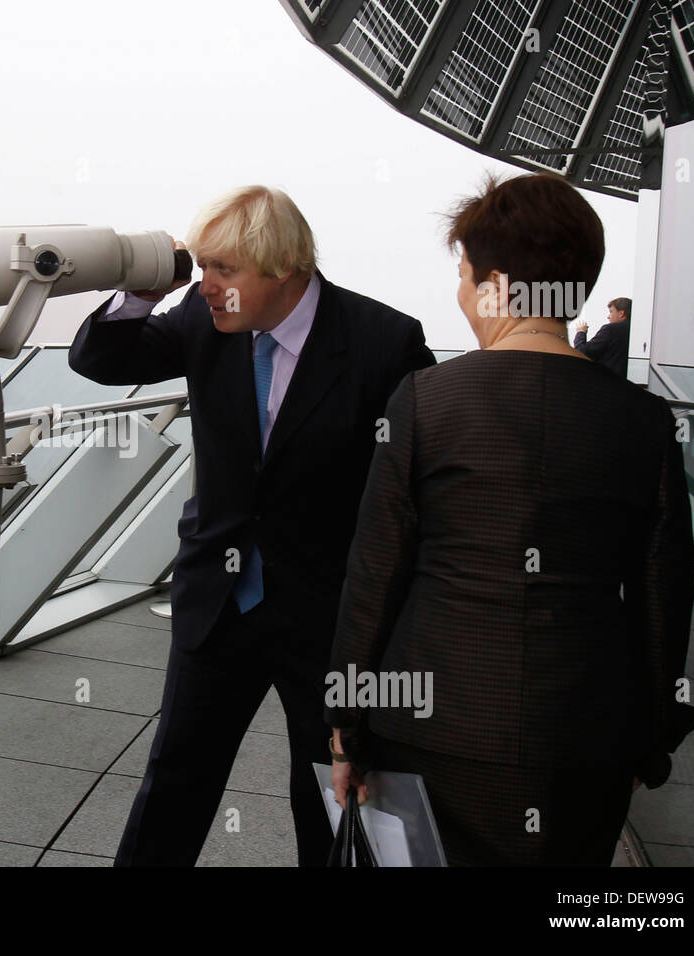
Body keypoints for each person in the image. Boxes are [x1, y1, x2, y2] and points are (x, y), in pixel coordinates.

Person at [328, 173, 694, 866]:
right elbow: (663, 595)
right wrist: (647, 737)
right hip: (585, 732)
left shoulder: (427, 401)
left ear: (493, 282)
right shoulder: (644, 421)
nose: (462, 293)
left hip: (435, 725)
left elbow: (374, 577)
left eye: (464, 274)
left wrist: (347, 726)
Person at [69, 185, 435, 866]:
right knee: (175, 780)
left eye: (224, 270)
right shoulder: (203, 320)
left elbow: (415, 496)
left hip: (328, 615)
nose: (207, 286)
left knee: (328, 792)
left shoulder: (384, 342)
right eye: (202, 267)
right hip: (219, 600)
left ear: (283, 268)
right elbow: (102, 360)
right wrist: (148, 286)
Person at [573, 297, 631, 377]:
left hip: (607, 382)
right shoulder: (635, 331)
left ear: (621, 313)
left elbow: (582, 352)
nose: (608, 316)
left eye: (611, 312)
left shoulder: (610, 329)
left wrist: (581, 332)